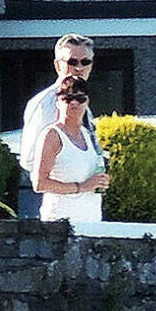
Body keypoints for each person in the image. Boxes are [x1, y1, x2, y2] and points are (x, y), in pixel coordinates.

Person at [19, 33, 101, 175]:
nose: (79, 68)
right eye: (72, 62)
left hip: (87, 191)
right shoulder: (45, 103)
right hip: (60, 190)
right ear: (58, 65)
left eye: (85, 62)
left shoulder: (83, 101)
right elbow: (30, 159)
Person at [31, 76, 110, 223]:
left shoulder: (89, 134)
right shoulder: (52, 135)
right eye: (68, 98)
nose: (74, 103)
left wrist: (101, 182)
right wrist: (81, 187)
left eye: (80, 98)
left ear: (87, 102)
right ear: (58, 102)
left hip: (91, 222)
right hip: (60, 224)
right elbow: (39, 183)